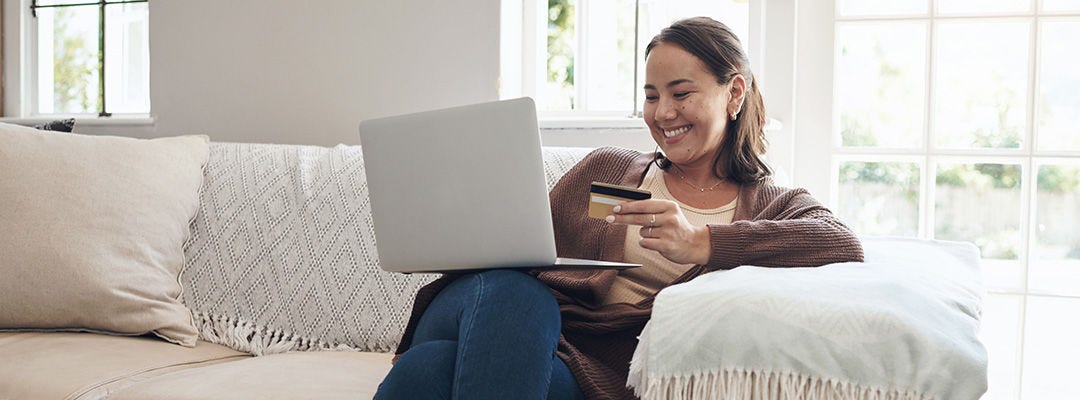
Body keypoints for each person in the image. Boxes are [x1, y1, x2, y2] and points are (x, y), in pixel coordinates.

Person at [374, 16, 864, 400]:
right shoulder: (609, 176)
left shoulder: (769, 205)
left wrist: (701, 241)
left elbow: (841, 242)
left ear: (733, 92)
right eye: (651, 97)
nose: (663, 113)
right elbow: (512, 248)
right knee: (516, 293)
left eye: (681, 93)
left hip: (586, 368)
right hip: (504, 314)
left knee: (430, 369)